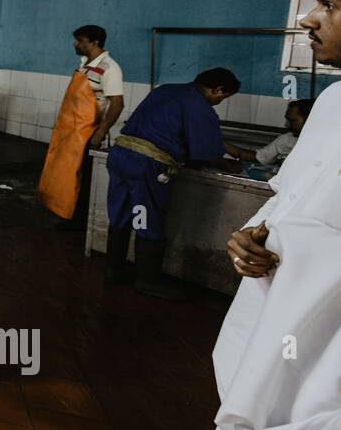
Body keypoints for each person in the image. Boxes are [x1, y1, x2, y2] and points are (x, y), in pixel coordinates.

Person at [216, 0, 341, 430]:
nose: (309, 19)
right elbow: (289, 200)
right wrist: (253, 237)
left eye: (329, 6)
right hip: (288, 342)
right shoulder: (332, 103)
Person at [104, 67, 240, 299]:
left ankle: (114, 269)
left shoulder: (165, 90)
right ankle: (147, 280)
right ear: (217, 89)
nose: (219, 101)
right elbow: (204, 152)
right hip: (147, 166)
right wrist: (223, 162)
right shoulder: (200, 106)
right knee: (147, 219)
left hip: (120, 155)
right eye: (223, 97)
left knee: (121, 214)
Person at [38, 24, 125, 229]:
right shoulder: (85, 65)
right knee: (66, 173)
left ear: (95, 42)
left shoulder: (110, 68)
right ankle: (65, 212)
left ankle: (78, 222)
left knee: (82, 177)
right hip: (71, 129)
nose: (75, 44)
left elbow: (117, 104)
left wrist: (100, 133)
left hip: (89, 131)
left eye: (80, 41)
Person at [224, 99, 312, 168]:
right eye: (287, 119)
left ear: (309, 119)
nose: (286, 125)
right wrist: (222, 144)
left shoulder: (319, 145)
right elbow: (258, 157)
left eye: (292, 120)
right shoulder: (286, 140)